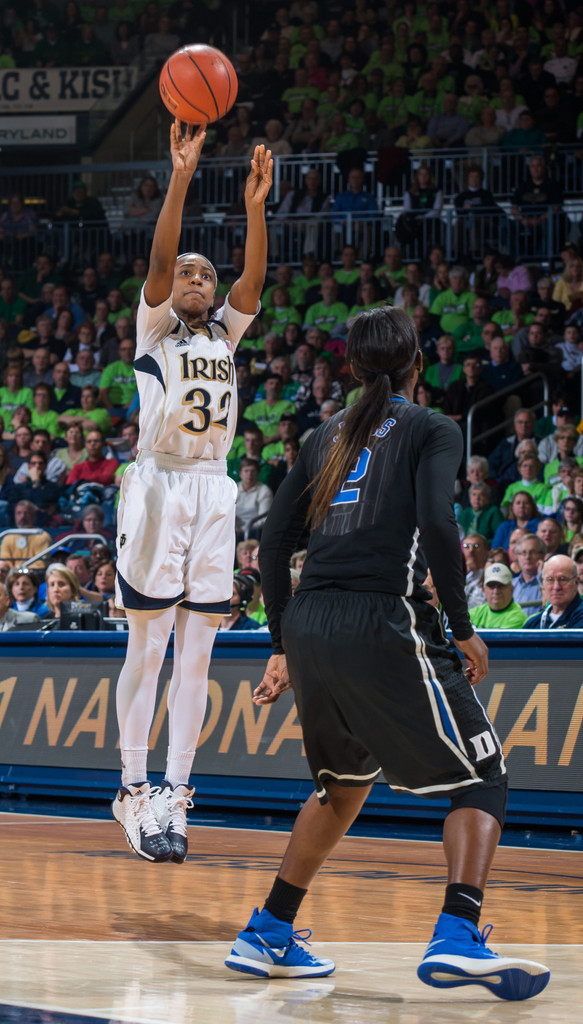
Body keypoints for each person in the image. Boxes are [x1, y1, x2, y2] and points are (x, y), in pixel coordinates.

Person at [225, 306, 550, 1000]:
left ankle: (267, 931)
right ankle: (458, 934)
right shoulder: (432, 428)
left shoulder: (320, 438)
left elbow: (273, 544)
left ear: (349, 368)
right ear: (417, 365)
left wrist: (280, 641)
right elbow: (436, 521)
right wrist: (461, 625)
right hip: (382, 616)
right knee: (482, 774)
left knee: (341, 783)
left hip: (311, 621)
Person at [111, 121, 272, 865]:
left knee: (198, 654)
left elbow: (255, 285)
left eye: (205, 275)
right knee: (148, 648)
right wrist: (181, 176)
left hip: (212, 488)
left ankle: (176, 795)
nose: (197, 281)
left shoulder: (225, 338)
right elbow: (156, 255)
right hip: (157, 482)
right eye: (187, 274)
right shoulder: (153, 330)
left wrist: (254, 207)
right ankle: (133, 791)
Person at [523, 554, 583, 628]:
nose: (556, 587)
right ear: (543, 583)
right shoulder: (533, 623)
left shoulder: (580, 617)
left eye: (563, 579)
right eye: (550, 580)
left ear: (576, 582)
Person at [469, 563, 527, 628]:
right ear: (484, 590)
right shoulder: (475, 613)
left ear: (511, 589)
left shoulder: (518, 617)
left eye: (501, 586)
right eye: (491, 586)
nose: (496, 591)